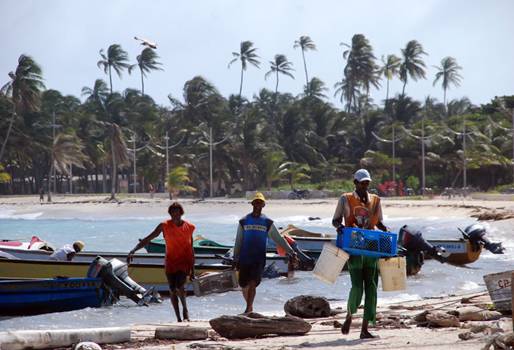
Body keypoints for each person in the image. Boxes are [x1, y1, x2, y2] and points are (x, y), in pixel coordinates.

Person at [332, 169, 388, 339]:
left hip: (371, 246)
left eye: (367, 183)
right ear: (355, 183)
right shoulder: (345, 198)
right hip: (354, 245)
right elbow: (335, 220)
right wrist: (340, 227)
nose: (365, 186)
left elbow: (378, 223)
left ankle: (365, 329)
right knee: (357, 286)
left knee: (371, 287)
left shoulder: (376, 200)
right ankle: (349, 315)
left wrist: (386, 232)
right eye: (362, 183)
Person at [127, 202, 195, 322]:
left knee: (180, 286)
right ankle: (178, 318)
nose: (175, 216)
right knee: (172, 289)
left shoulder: (189, 227)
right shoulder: (164, 225)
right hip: (170, 261)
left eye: (177, 213)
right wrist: (134, 249)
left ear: (181, 213)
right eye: (173, 213)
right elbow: (149, 238)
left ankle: (185, 310)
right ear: (170, 214)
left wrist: (193, 269)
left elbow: (191, 247)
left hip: (184, 261)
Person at [233, 192, 297, 313]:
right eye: (256, 202)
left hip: (258, 258)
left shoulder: (267, 222)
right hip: (245, 257)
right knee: (243, 284)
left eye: (260, 203)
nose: (257, 205)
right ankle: (250, 308)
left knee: (253, 283)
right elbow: (239, 240)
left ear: (263, 205)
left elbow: (278, 239)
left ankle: (248, 309)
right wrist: (235, 257)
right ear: (252, 204)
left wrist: (291, 251)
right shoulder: (244, 221)